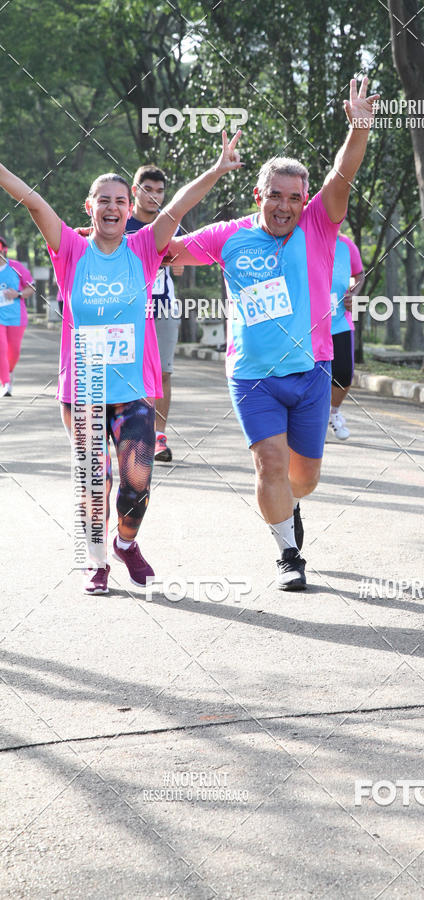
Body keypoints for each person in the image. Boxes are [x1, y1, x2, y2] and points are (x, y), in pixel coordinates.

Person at [0, 131, 242, 594]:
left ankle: (125, 543)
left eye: (120, 201)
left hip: (132, 391)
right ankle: (96, 563)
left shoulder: (144, 249)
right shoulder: (70, 249)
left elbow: (178, 209)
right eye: (102, 200)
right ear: (89, 208)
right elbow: (33, 201)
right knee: (96, 482)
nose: (112, 207)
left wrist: (215, 169)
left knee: (136, 483)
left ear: (130, 209)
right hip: (84, 392)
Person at [168, 78, 378, 591]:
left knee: (302, 477)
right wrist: (110, 236)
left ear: (305, 200)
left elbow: (343, 172)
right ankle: (288, 553)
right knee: (270, 464)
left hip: (312, 373)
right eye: (275, 196)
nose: (284, 206)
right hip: (252, 376)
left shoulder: (319, 225)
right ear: (259, 194)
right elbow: (162, 244)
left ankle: (292, 509)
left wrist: (359, 128)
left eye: (294, 198)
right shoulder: (228, 236)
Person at [126, 165, 184, 462]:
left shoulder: (168, 224)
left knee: (162, 372)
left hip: (163, 306)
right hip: (125, 309)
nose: (155, 196)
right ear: (135, 191)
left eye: (160, 191)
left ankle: (159, 437)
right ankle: (132, 433)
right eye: (148, 189)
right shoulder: (119, 222)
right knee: (130, 372)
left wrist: (179, 265)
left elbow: (183, 258)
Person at [328, 233, 364, 440]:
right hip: (307, 322)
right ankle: (313, 419)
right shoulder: (302, 239)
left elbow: (360, 275)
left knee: (343, 374)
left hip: (339, 320)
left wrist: (354, 294)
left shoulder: (347, 245)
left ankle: (333, 412)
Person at [0, 236, 35, 396]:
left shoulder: (15, 267)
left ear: (3, 249)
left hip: (16, 317)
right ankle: (6, 383)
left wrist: (18, 293)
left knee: (13, 351)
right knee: (1, 349)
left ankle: (9, 370)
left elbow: (31, 288)